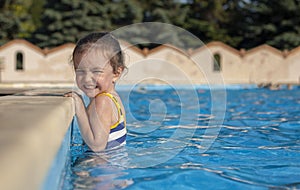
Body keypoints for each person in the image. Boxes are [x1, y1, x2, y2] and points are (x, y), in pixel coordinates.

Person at [64, 32, 127, 152]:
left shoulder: (102, 101)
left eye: (96, 71)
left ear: (116, 73)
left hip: (101, 168)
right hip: (114, 167)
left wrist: (80, 107)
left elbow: (97, 146)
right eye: (80, 71)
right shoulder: (114, 98)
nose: (87, 79)